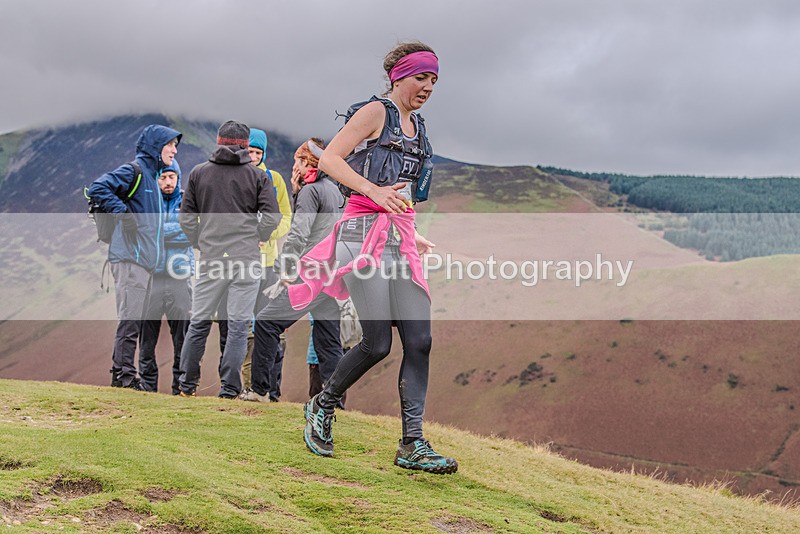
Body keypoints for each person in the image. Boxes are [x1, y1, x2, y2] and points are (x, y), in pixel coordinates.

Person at [295, 42, 458, 474]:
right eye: (421, 77)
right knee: (377, 343)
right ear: (398, 76)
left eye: (434, 81)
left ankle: (413, 444)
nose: (427, 87)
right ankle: (322, 405)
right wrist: (373, 192)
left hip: (399, 237)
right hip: (360, 232)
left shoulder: (418, 127)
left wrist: (414, 233)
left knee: (420, 341)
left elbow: (403, 192)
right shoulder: (375, 113)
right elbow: (329, 157)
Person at [178, 121, 280, 398]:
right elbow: (273, 216)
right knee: (237, 326)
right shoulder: (257, 177)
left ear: (218, 142)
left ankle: (186, 386)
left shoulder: (199, 173)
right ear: (246, 145)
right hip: (245, 258)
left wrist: (200, 241)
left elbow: (186, 218)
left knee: (198, 323)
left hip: (211, 258)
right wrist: (258, 235)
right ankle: (230, 389)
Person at [246, 138, 345, 404]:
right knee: (328, 337)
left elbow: (299, 234)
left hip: (309, 273)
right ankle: (335, 400)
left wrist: (284, 269)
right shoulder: (334, 190)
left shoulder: (311, 192)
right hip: (330, 275)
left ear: (306, 163)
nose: (294, 167)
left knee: (266, 322)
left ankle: (259, 391)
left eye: (297, 162)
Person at [87, 124, 181, 390]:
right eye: (169, 144)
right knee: (130, 319)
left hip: (143, 261)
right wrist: (123, 214)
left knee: (134, 319)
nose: (174, 150)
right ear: (155, 146)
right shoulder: (136, 171)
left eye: (175, 145)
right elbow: (96, 188)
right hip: (130, 258)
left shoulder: (152, 177)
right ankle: (126, 378)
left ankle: (121, 374)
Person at [217, 128, 292, 394]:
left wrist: (268, 234)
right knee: (232, 325)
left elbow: (286, 217)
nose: (254, 156)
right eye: (250, 151)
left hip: (267, 264)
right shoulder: (231, 177)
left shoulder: (275, 179)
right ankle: (231, 386)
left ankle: (270, 390)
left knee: (268, 325)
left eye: (258, 153)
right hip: (237, 262)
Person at [137, 160, 194, 394]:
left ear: (178, 178)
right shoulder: (148, 202)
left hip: (179, 277)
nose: (168, 182)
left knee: (183, 336)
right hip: (152, 276)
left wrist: (158, 233)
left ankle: (180, 386)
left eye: (171, 177)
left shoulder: (188, 202)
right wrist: (167, 232)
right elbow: (142, 231)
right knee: (146, 336)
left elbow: (190, 233)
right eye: (162, 178)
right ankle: (147, 386)